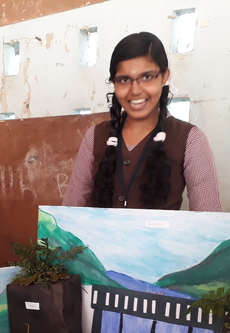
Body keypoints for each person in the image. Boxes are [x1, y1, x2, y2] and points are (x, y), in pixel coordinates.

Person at [63, 32, 221, 211]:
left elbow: (209, 218)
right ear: (114, 83)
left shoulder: (191, 140)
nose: (135, 90)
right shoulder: (94, 136)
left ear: (164, 76)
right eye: (124, 80)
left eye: (147, 77)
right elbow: (69, 211)